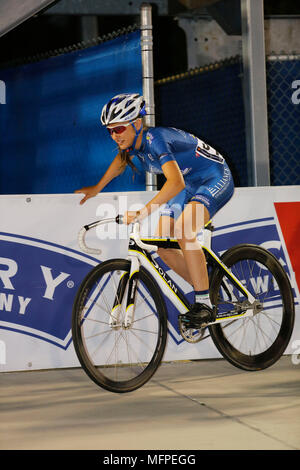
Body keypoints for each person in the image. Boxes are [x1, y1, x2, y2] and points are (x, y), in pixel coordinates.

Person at [75, 93, 234, 328]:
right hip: (188, 181)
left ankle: (204, 305)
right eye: (110, 131)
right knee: (164, 247)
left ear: (136, 124)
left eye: (118, 129)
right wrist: (97, 188)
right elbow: (120, 162)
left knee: (183, 229)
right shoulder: (133, 144)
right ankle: (208, 291)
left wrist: (142, 213)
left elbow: (176, 183)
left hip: (213, 177)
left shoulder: (155, 139)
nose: (114, 136)